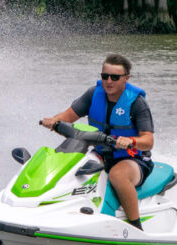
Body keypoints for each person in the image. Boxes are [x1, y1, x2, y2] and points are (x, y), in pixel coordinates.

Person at [39, 54, 154, 230]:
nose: (109, 81)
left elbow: (148, 140)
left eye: (115, 77)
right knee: (72, 168)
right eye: (104, 76)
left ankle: (136, 227)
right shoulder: (94, 94)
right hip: (101, 153)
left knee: (117, 175)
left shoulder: (137, 103)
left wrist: (130, 141)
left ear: (126, 78)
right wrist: (53, 121)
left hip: (134, 159)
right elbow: (67, 117)